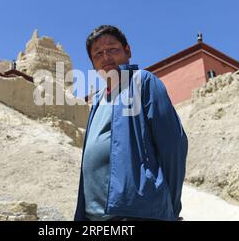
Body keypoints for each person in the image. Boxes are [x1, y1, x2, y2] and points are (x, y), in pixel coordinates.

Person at [74, 25, 188, 221]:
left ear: (127, 51)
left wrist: (169, 206)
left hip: (136, 214)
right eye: (98, 53)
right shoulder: (96, 102)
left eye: (112, 49)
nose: (106, 57)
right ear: (93, 64)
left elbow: (173, 146)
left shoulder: (141, 83)